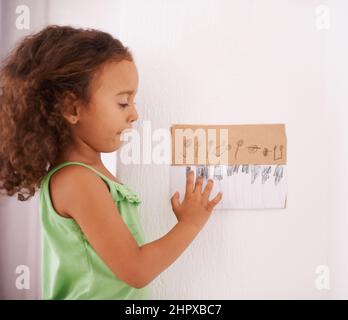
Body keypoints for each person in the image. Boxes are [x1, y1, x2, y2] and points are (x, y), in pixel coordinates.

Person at [0, 25, 223, 299]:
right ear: (72, 109)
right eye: (123, 103)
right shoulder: (76, 181)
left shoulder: (88, 175)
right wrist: (190, 223)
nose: (135, 115)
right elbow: (136, 270)